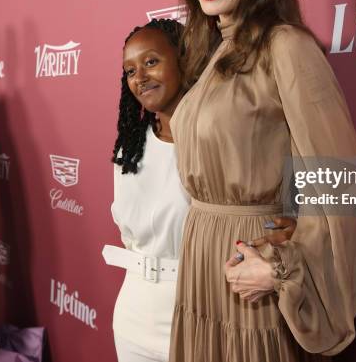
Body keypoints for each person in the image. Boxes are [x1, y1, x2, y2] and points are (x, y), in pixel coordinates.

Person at [168, 0, 356, 361]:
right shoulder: (210, 49)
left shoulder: (285, 46)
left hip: (251, 275)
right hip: (203, 265)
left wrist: (284, 267)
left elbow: (346, 182)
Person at [102, 19, 296, 362]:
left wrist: (290, 235)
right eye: (130, 70)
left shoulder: (222, 143)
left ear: (184, 60)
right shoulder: (128, 151)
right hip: (134, 314)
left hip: (204, 308)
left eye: (151, 62)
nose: (140, 77)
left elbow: (255, 214)